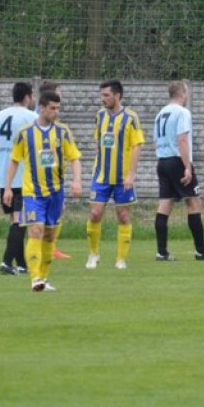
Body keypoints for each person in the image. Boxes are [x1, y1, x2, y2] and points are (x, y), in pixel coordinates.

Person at [3, 90, 82, 292]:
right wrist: (8, 187)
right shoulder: (25, 133)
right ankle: (35, 278)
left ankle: (44, 278)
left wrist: (77, 181)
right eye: (52, 108)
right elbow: (13, 161)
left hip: (56, 193)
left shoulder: (63, 132)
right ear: (42, 107)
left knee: (49, 236)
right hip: (32, 193)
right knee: (35, 230)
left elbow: (74, 158)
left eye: (58, 108)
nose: (56, 112)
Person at [152, 80, 204, 262]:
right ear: (183, 94)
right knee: (193, 202)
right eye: (187, 92)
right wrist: (187, 167)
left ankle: (162, 252)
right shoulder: (182, 112)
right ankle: (201, 251)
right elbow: (182, 139)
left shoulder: (160, 114)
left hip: (162, 161)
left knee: (165, 205)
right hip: (177, 161)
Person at [86, 79, 144, 270]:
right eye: (101, 95)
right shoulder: (99, 116)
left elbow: (137, 145)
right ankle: (93, 255)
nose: (102, 99)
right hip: (101, 175)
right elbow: (98, 143)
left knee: (123, 216)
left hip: (122, 178)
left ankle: (120, 259)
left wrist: (131, 174)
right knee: (95, 214)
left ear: (117, 95)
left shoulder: (130, 118)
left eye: (106, 95)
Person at [0, 82, 38, 275]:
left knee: (16, 219)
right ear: (28, 97)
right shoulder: (32, 117)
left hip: (4, 176)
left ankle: (21, 264)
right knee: (19, 221)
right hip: (24, 177)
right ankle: (6, 261)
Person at [38, 80, 71, 260]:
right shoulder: (37, 121)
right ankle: (45, 249)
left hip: (55, 177)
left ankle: (50, 248)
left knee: (58, 209)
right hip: (39, 180)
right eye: (59, 93)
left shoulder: (55, 123)